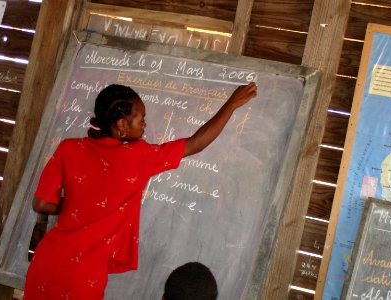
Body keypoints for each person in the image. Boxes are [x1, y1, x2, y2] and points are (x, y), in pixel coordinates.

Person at [23, 82, 257, 300]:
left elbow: (41, 204)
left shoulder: (69, 148)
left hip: (46, 262)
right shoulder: (139, 157)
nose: (145, 124)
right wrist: (232, 104)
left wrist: (79, 204)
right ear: (122, 125)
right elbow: (196, 143)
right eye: (141, 118)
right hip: (83, 275)